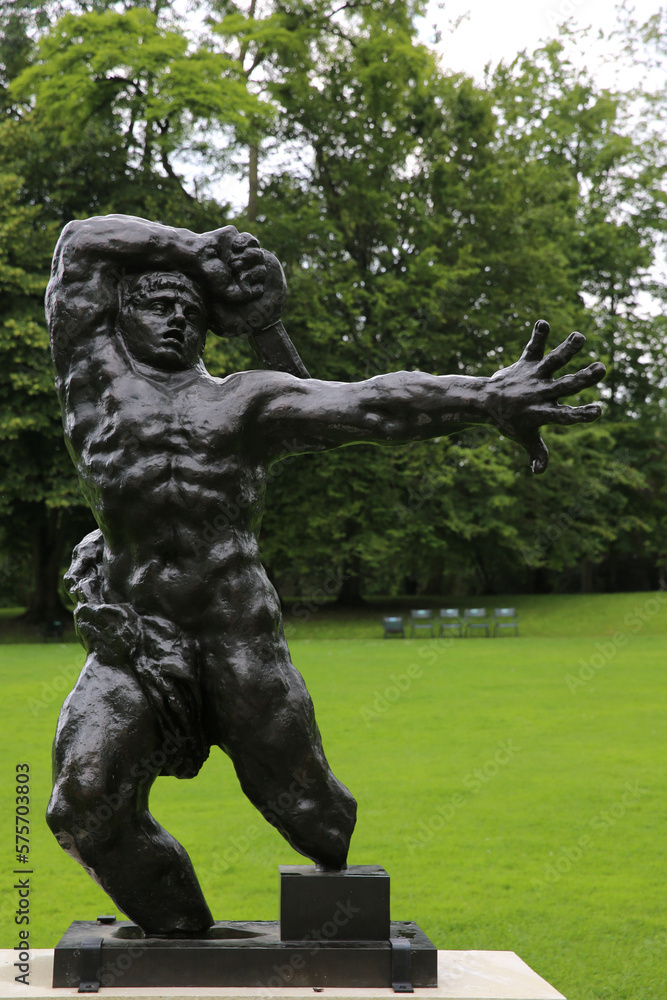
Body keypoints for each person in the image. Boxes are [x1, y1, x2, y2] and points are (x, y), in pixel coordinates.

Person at [45, 214, 605, 937]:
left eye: (193, 311)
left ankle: (336, 918)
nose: (179, 320)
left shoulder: (244, 401)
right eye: (159, 304)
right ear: (117, 312)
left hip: (234, 635)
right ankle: (177, 934)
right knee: (82, 807)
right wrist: (198, 252)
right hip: (139, 638)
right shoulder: (94, 385)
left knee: (314, 821)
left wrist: (484, 398)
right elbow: (80, 243)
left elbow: (371, 403)